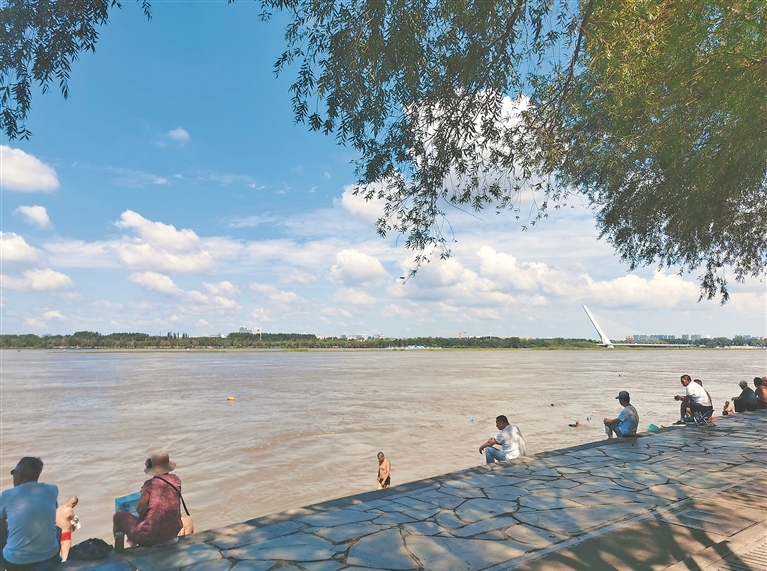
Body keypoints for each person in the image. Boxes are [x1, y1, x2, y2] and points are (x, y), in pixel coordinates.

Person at [113, 452, 193, 551]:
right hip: (172, 532)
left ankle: (119, 551)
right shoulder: (176, 481)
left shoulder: (149, 485)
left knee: (118, 516)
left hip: (150, 536)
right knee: (187, 520)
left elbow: (140, 510)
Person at [0, 457, 60, 571]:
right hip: (51, 556)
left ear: (19, 475)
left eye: (13, 472)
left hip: (16, 562)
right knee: (57, 527)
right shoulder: (52, 490)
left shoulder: (7, 495)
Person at [55, 496, 79, 562]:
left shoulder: (58, 509)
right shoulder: (69, 510)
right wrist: (74, 526)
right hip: (66, 534)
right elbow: (74, 519)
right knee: (66, 555)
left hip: (58, 533)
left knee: (59, 556)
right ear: (73, 504)